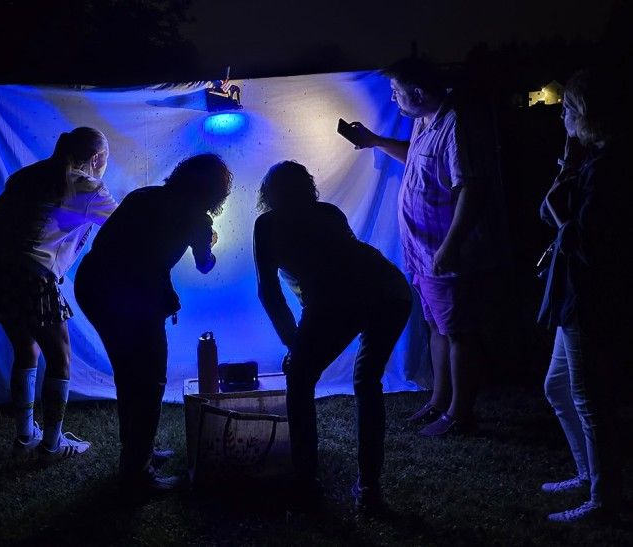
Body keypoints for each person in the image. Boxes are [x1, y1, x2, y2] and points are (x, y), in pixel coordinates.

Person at [348, 57, 507, 436]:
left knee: (459, 333)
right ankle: (439, 401)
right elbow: (417, 159)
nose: (393, 99)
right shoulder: (423, 120)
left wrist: (450, 247)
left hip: (447, 254)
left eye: (396, 92)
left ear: (417, 93)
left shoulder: (456, 125)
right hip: (424, 252)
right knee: (436, 326)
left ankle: (459, 414)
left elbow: (470, 187)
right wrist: (374, 141)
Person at [254, 161, 412, 514]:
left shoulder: (268, 224)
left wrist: (294, 345)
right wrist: (298, 344)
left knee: (299, 379)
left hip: (345, 298)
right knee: (368, 382)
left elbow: (270, 292)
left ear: (269, 193)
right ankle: (369, 489)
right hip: (391, 290)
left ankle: (306, 482)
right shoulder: (327, 212)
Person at [74, 153, 232, 496]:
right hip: (134, 296)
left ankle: (138, 455)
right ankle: (137, 475)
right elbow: (205, 265)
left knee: (130, 376)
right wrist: (210, 244)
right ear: (215, 193)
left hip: (95, 285)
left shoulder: (143, 196)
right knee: (147, 380)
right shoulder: (197, 220)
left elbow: (116, 244)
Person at [0, 127, 117, 463]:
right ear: (97, 158)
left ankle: (25, 438)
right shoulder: (88, 187)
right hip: (30, 275)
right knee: (61, 357)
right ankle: (51, 446)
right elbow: (125, 223)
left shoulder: (27, 176)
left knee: (26, 349)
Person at [538, 68, 630, 523]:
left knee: (591, 400)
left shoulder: (608, 168)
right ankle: (587, 476)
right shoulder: (592, 159)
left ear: (588, 115)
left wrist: (560, 216)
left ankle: (603, 498)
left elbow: (589, 240)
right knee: (558, 387)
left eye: (568, 110)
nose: (563, 118)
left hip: (590, 299)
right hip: (575, 296)